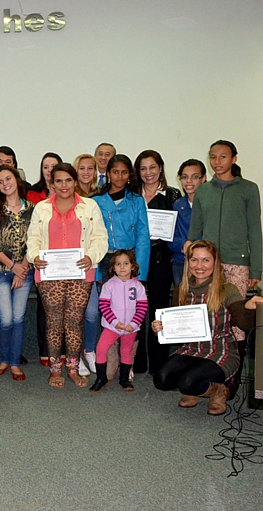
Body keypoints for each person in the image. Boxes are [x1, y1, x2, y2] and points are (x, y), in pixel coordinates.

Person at [152, 240, 262, 415]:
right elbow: (174, 323)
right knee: (161, 379)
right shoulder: (182, 288)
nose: (199, 266)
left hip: (221, 349)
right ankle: (198, 388)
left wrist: (248, 307)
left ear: (215, 262)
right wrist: (160, 326)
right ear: (188, 263)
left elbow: (244, 322)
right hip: (192, 348)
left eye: (206, 260)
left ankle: (218, 390)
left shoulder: (227, 289)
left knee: (187, 382)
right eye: (194, 260)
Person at [27, 163, 108, 388]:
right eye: (59, 181)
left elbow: (100, 238)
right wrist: (34, 256)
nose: (64, 185)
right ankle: (55, 370)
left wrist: (91, 257)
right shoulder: (41, 208)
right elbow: (32, 237)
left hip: (81, 272)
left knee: (74, 322)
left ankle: (72, 367)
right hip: (48, 272)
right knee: (53, 322)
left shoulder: (89, 207)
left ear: (75, 182)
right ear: (51, 183)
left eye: (68, 180)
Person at [188, 140, 262, 299]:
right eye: (213, 157)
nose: (217, 162)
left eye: (223, 157)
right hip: (208, 264)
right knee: (211, 311)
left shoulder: (248, 189)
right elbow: (194, 229)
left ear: (234, 158)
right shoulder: (202, 190)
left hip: (238, 264)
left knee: (236, 313)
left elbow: (255, 231)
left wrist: (256, 269)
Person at [132, 150, 181, 375]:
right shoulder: (133, 194)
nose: (148, 173)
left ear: (160, 168)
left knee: (159, 310)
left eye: (152, 167)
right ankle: (138, 361)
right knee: (137, 309)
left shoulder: (172, 194)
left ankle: (159, 362)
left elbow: (178, 227)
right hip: (136, 260)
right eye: (143, 168)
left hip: (162, 260)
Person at [0, 165, 34, 382]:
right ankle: (4, 359)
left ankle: (14, 363)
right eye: (0, 181)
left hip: (25, 271)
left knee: (18, 318)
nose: (5, 184)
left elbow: (36, 242)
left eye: (8, 178)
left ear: (16, 179)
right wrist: (13, 267)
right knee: (5, 320)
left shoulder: (33, 209)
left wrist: (22, 269)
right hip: (0, 273)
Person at [89, 250, 148, 393]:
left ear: (133, 266)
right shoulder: (109, 285)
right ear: (113, 268)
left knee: (126, 352)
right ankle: (101, 378)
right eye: (118, 264)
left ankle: (124, 379)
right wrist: (115, 322)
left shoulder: (138, 286)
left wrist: (133, 324)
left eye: (126, 263)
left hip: (130, 328)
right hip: (111, 326)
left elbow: (142, 307)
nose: (122, 267)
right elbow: (104, 305)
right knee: (101, 349)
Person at [73, 153, 100, 374]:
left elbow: (99, 236)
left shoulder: (101, 196)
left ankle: (89, 350)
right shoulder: (67, 197)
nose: (86, 172)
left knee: (92, 313)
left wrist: (92, 256)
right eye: (82, 168)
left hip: (92, 264)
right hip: (68, 267)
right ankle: (75, 355)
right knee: (73, 314)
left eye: (90, 168)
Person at [169, 159, 206, 286]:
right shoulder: (177, 205)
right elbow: (170, 238)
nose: (189, 181)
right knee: (183, 302)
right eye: (184, 177)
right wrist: (183, 244)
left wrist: (195, 246)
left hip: (206, 264)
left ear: (203, 178)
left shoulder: (211, 204)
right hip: (181, 263)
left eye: (194, 177)